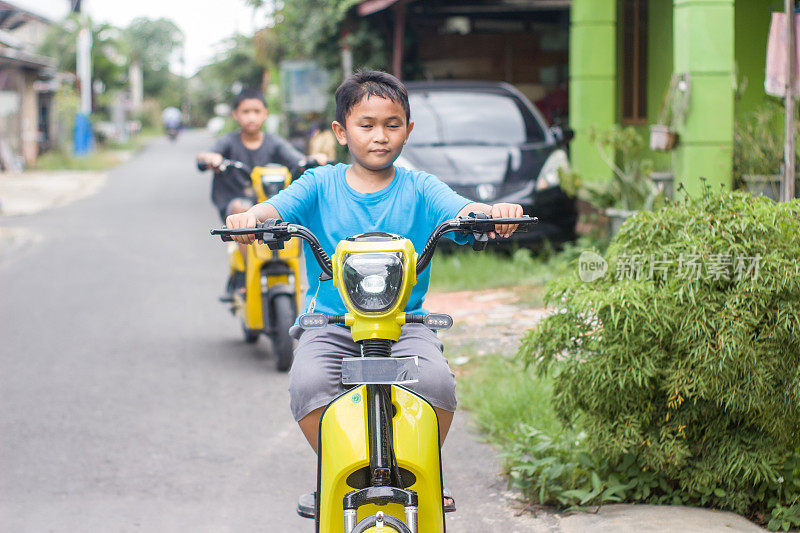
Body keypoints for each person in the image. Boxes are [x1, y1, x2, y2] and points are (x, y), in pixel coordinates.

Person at [224, 70, 523, 452]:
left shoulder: (421, 186)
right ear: (341, 131)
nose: (380, 136)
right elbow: (276, 207)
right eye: (366, 125)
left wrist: (493, 212)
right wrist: (251, 216)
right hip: (331, 323)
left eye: (392, 125)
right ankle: (334, 469)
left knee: (438, 385)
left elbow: (462, 209)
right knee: (308, 383)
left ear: (408, 129)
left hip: (405, 323)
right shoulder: (318, 183)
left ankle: (425, 474)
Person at [197, 88, 327, 298]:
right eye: (245, 111)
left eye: (256, 111)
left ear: (265, 113)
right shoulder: (229, 142)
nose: (251, 116)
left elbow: (297, 159)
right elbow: (205, 155)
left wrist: (313, 159)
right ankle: (246, 272)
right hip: (236, 203)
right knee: (242, 209)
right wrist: (210, 158)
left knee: (300, 217)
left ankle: (295, 272)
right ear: (236, 115)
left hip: (269, 204)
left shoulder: (274, 143)